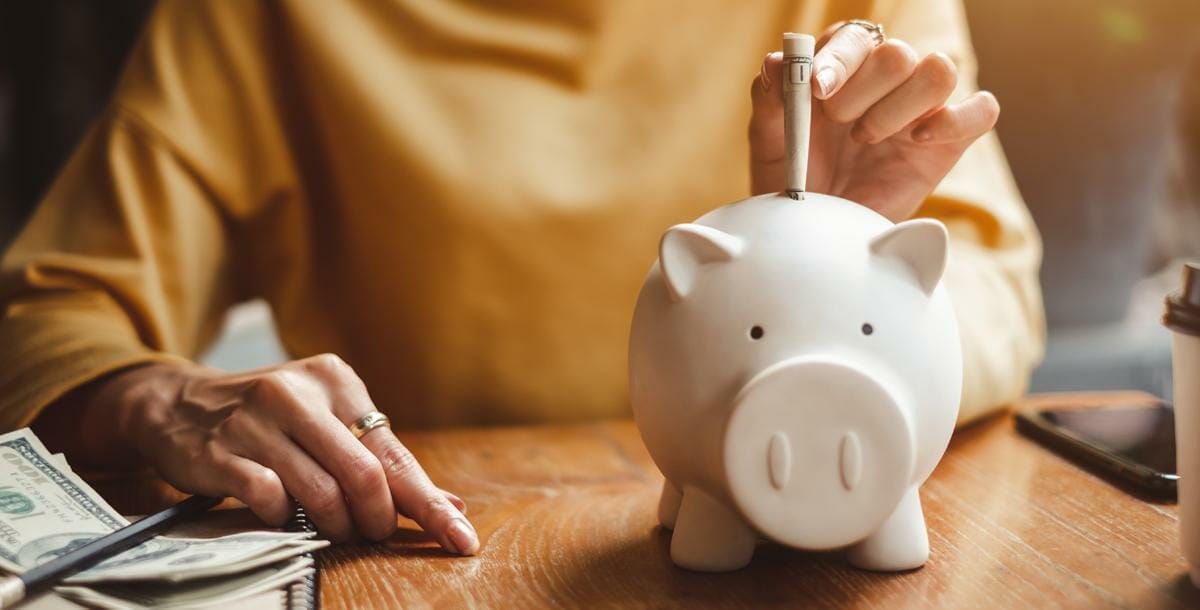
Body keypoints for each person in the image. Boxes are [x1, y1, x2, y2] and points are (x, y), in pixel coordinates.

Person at [0, 0, 1043, 556]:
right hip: (439, 548)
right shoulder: (260, 14)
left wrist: (843, 256)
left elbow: (996, 281)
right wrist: (157, 393)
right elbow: (49, 307)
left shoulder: (851, 18)